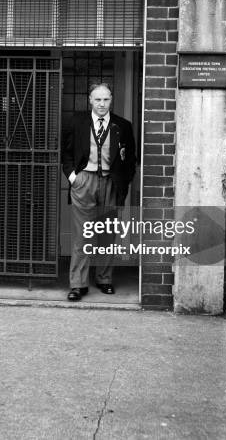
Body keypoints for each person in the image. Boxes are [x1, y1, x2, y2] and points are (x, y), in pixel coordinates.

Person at [62, 82, 136, 302]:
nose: (102, 104)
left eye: (106, 99)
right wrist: (73, 178)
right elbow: (65, 152)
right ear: (90, 101)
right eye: (98, 99)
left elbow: (130, 159)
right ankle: (78, 284)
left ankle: (104, 279)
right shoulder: (77, 122)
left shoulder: (123, 125)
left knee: (107, 234)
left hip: (111, 183)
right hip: (84, 180)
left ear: (111, 100)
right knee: (82, 234)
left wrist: (124, 181)